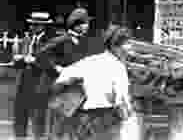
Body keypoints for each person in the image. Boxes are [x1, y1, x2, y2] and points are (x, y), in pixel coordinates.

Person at [52, 25, 133, 140]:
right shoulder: (118, 67)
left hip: (84, 119)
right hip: (107, 120)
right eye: (127, 43)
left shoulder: (90, 61)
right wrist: (127, 115)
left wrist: (74, 91)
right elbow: (120, 100)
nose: (130, 48)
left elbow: (63, 77)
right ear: (115, 46)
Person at [36, 7, 93, 137]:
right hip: (57, 89)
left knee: (71, 125)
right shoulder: (61, 40)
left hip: (72, 90)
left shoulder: (83, 43)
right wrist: (56, 68)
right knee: (57, 126)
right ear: (76, 25)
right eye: (85, 23)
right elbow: (40, 54)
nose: (87, 27)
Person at [13, 12, 53, 140]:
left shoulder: (50, 41)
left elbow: (50, 63)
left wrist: (34, 61)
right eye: (31, 24)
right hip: (24, 81)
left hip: (39, 82)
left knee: (38, 115)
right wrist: (18, 59)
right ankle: (19, 136)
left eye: (36, 25)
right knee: (20, 113)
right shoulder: (27, 39)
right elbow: (21, 60)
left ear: (43, 26)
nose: (32, 27)